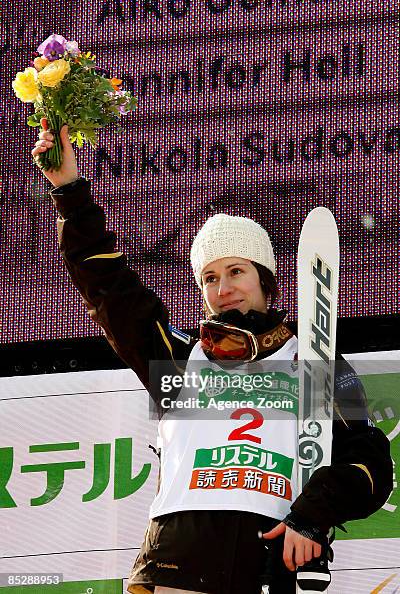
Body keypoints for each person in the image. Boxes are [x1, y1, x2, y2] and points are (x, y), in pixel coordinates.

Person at [32, 123, 392, 594]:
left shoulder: (317, 358)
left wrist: (312, 516)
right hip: (175, 563)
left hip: (265, 563)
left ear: (266, 281)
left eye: (236, 271)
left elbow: (371, 463)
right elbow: (109, 289)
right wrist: (68, 190)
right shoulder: (178, 358)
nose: (223, 289)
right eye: (209, 278)